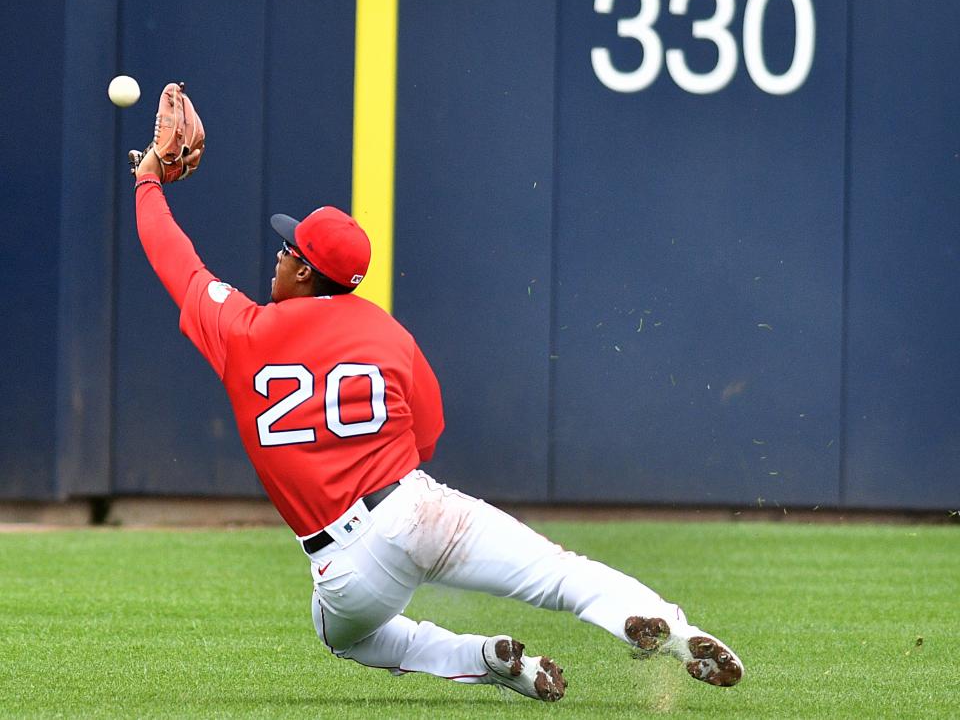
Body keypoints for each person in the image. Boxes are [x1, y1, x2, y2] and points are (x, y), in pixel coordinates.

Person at [132, 149, 743, 702]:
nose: (279, 254)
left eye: (289, 249)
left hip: (346, 566)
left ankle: (481, 657)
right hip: (417, 507)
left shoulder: (244, 332)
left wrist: (150, 179)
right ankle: (670, 628)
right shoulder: (387, 332)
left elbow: (175, 261)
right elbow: (428, 433)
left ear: (305, 273)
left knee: (342, 636)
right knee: (562, 573)